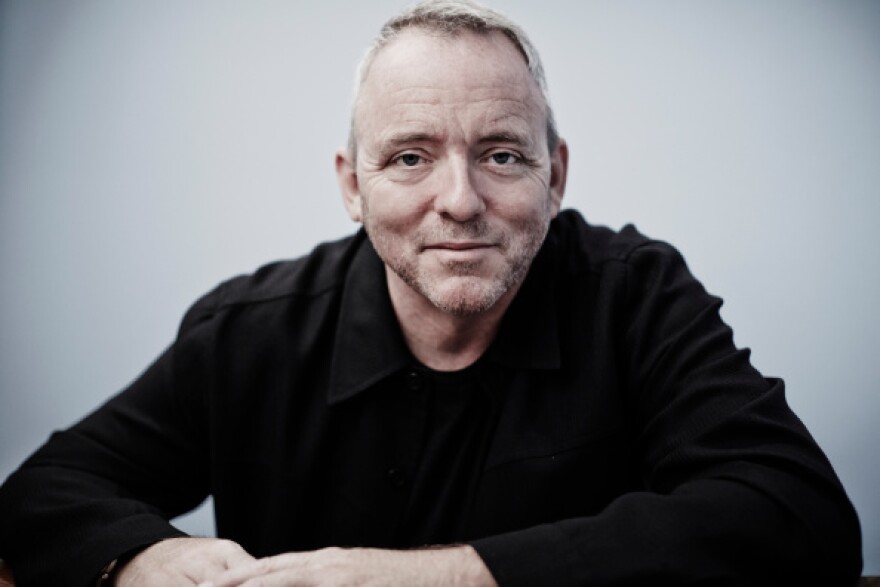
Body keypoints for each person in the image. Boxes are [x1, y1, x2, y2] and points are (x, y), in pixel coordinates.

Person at [0, 1, 863, 585]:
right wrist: (137, 556)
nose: (459, 199)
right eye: (410, 156)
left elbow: (801, 515)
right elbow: (46, 489)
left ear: (554, 175)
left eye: (502, 153)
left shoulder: (636, 295)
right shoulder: (250, 330)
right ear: (352, 184)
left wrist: (437, 575)